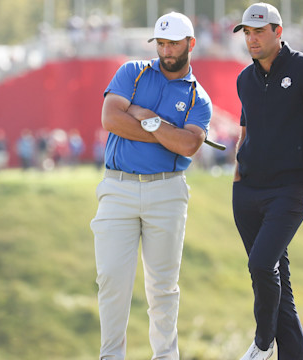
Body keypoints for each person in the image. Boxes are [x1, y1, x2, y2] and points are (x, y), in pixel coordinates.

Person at [90, 12, 212, 360]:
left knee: (162, 288)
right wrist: (165, 131)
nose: (166, 50)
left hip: (167, 192)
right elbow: (111, 118)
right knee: (111, 280)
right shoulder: (132, 71)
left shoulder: (197, 98)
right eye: (161, 43)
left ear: (190, 44)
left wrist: (145, 116)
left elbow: (188, 146)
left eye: (173, 43)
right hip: (118, 186)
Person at [231, 3, 303, 360]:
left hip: (289, 190)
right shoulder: (245, 78)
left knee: (261, 265)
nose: (252, 39)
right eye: (247, 32)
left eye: (259, 31)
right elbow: (247, 128)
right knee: (281, 292)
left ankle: (263, 342)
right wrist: (237, 167)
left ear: (278, 31)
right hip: (248, 192)